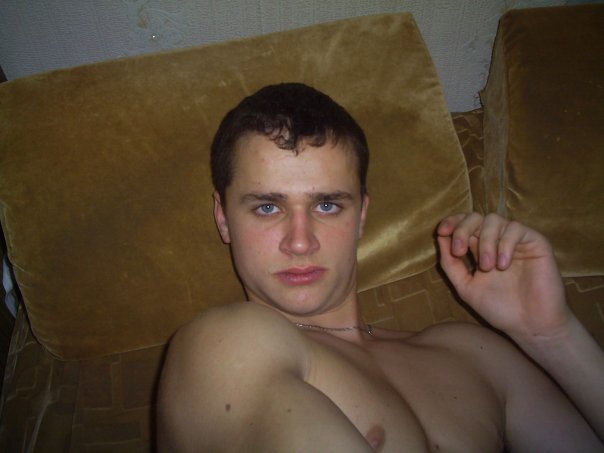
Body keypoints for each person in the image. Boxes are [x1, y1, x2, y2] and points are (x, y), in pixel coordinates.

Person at [157, 83, 604, 452]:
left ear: (362, 216)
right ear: (223, 218)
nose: (300, 241)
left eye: (327, 205)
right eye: (268, 207)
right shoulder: (223, 345)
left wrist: (552, 335)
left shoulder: (475, 353)